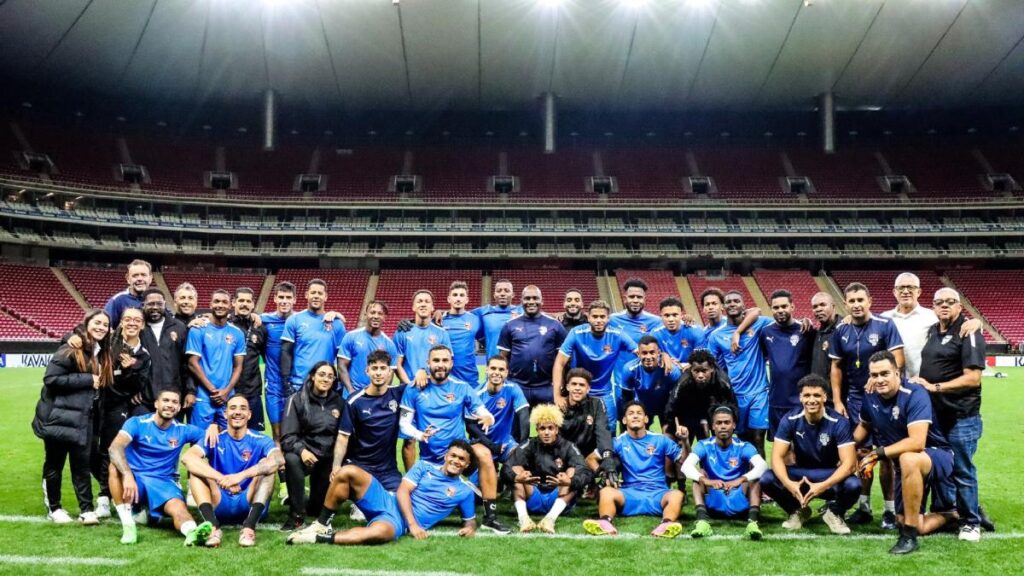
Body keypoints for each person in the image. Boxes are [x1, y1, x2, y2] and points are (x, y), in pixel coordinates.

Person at [853, 351, 955, 555]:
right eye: (874, 375)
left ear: (897, 373)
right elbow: (862, 429)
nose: (879, 380)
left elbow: (917, 442)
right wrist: (844, 450)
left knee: (907, 457)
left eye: (885, 373)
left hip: (936, 455)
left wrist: (875, 454)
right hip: (905, 465)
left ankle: (908, 537)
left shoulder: (915, 393)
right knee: (911, 522)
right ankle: (957, 514)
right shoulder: (870, 396)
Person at [399, 345, 508, 533]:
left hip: (460, 456)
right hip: (430, 460)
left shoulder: (461, 387)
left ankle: (490, 517)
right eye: (436, 361)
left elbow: (481, 410)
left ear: (451, 363)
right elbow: (404, 425)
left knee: (483, 453)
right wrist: (419, 435)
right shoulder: (414, 388)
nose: (440, 365)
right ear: (428, 363)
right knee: (409, 445)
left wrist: (488, 416)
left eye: (444, 360)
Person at [287, 440, 479, 545]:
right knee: (348, 471)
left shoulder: (464, 492)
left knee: (381, 533)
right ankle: (322, 524)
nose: (456, 461)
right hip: (389, 500)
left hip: (397, 522)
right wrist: (414, 525)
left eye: (462, 459)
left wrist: (470, 528)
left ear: (467, 464)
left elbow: (469, 519)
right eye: (453, 455)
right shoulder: (424, 466)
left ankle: (318, 538)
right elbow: (403, 491)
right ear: (446, 456)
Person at [912, 288, 986, 542]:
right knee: (942, 467)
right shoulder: (933, 330)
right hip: (936, 415)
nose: (944, 306)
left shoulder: (969, 331)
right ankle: (948, 512)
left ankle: (971, 522)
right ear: (933, 306)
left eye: (950, 302)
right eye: (939, 302)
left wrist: (935, 388)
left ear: (959, 306)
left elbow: (974, 378)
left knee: (962, 470)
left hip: (961, 415)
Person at [829, 282, 904, 528]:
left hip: (883, 401)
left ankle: (890, 511)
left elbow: (898, 359)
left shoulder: (885, 325)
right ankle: (864, 507)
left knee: (886, 456)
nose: (856, 305)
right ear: (846, 304)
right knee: (860, 454)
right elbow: (836, 367)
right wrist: (838, 400)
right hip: (854, 402)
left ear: (869, 301)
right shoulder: (841, 330)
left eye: (861, 300)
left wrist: (876, 378)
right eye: (852, 301)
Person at [32, 309, 112, 525]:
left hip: (83, 419)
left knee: (81, 465)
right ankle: (55, 508)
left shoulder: (101, 352)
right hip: (59, 417)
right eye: (97, 322)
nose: (101, 327)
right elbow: (51, 379)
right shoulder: (70, 349)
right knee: (54, 464)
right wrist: (87, 379)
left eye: (105, 324)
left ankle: (86, 510)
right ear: (86, 324)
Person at [107, 389, 217, 545]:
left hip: (163, 481)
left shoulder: (182, 430)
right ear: (156, 404)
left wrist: (214, 427)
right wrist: (127, 475)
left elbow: (212, 436)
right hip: (135, 480)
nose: (170, 405)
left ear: (179, 408)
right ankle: (128, 526)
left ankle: (192, 533)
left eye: (174, 402)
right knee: (114, 466)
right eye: (166, 400)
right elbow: (115, 448)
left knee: (179, 508)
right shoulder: (137, 423)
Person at [759, 374, 859, 534]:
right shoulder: (790, 418)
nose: (811, 400)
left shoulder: (839, 422)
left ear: (825, 397)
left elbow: (849, 465)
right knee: (767, 479)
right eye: (807, 395)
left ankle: (833, 512)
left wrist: (822, 486)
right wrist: (788, 484)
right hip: (800, 474)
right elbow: (776, 457)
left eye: (817, 395)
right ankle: (797, 511)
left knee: (854, 485)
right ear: (800, 397)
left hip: (828, 475)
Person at [182, 395, 282, 547]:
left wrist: (240, 476)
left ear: (249, 414)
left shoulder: (261, 439)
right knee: (196, 467)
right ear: (225, 413)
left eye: (243, 408)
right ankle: (213, 527)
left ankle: (249, 527)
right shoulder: (214, 438)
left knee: (267, 465)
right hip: (219, 500)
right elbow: (187, 458)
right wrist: (223, 479)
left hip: (248, 500)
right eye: (233, 408)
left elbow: (279, 460)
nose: (237, 412)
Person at [582, 401, 685, 539]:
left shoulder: (661, 440)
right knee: (606, 492)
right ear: (624, 420)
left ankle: (666, 524)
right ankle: (605, 522)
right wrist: (603, 475)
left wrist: (685, 442)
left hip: (658, 493)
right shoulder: (617, 441)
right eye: (631, 414)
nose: (635, 416)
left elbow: (684, 461)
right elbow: (590, 459)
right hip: (629, 494)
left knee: (677, 494)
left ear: (646, 419)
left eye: (639, 413)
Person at [92, 307, 152, 520]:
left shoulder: (143, 355)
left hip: (129, 409)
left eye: (137, 320)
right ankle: (104, 498)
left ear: (143, 324)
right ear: (121, 322)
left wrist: (131, 370)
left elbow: (139, 383)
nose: (132, 323)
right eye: (128, 319)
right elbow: (111, 382)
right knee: (105, 451)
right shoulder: (109, 346)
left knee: (126, 451)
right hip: (109, 407)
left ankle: (127, 498)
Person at [683, 405, 768, 540]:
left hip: (739, 499)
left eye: (727, 422)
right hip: (714, 500)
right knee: (699, 475)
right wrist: (707, 481)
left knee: (754, 478)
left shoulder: (744, 446)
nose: (723, 426)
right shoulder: (704, 445)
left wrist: (740, 480)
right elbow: (686, 466)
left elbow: (762, 466)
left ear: (734, 425)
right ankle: (702, 522)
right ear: (713, 426)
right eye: (719, 423)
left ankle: (753, 523)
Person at [505, 404, 592, 533]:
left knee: (571, 473)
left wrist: (570, 481)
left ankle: (550, 519)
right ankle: (523, 519)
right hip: (533, 496)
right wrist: (516, 477)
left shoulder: (568, 446)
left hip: (558, 496)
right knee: (517, 470)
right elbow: (506, 468)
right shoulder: (529, 445)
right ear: (537, 430)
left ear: (557, 429)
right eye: (542, 428)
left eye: (550, 428)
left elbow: (585, 471)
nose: (546, 432)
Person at [706, 290, 773, 455]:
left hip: (759, 392)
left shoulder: (759, 324)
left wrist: (738, 332)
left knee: (758, 438)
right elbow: (712, 365)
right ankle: (742, 477)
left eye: (736, 301)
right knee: (742, 439)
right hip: (735, 395)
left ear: (744, 305)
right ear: (723, 307)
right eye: (728, 302)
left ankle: (759, 480)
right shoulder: (716, 336)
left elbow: (763, 313)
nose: (732, 304)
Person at [553, 300, 637, 431]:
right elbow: (559, 362)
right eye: (595, 317)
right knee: (573, 430)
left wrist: (663, 356)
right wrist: (557, 396)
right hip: (578, 391)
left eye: (602, 317)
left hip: (604, 392)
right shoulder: (577, 333)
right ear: (588, 318)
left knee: (610, 429)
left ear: (608, 318)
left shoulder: (617, 335)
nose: (599, 320)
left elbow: (642, 353)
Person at [279, 362, 344, 531]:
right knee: (291, 459)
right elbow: (287, 437)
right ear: (313, 376)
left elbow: (343, 436)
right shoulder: (297, 399)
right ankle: (296, 515)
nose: (326, 379)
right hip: (306, 454)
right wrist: (302, 451)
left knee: (316, 510)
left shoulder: (339, 402)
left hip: (327, 460)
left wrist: (338, 464)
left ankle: (307, 501)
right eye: (322, 374)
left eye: (330, 376)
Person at [335, 350, 406, 492]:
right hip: (361, 466)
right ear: (367, 371)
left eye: (383, 368)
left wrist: (422, 372)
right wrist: (336, 466)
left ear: (389, 372)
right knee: (363, 504)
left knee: (400, 504)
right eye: (374, 368)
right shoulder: (355, 401)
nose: (378, 373)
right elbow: (343, 437)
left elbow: (423, 383)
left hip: (388, 470)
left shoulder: (398, 394)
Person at [186, 289, 246, 430]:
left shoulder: (237, 333)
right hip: (203, 396)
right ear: (210, 304)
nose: (220, 305)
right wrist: (213, 390)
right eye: (216, 301)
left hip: (227, 396)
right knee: (200, 439)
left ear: (230, 305)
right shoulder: (198, 329)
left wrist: (226, 391)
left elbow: (238, 366)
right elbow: (192, 363)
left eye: (224, 302)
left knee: (229, 439)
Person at [497, 285, 567, 406]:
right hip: (518, 387)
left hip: (546, 388)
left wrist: (560, 385)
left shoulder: (555, 325)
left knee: (547, 425)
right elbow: (503, 359)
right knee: (520, 425)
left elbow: (562, 361)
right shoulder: (509, 325)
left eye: (535, 298)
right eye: (527, 298)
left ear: (542, 301)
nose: (531, 302)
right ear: (521, 301)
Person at [760, 289, 815, 438]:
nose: (780, 310)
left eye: (784, 306)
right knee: (780, 445)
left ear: (792, 307)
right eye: (776, 307)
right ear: (771, 309)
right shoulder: (765, 332)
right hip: (776, 400)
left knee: (802, 446)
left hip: (801, 400)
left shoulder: (806, 330)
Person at [280, 279, 347, 396]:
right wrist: (286, 382)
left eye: (320, 293)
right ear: (306, 295)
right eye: (313, 293)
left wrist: (339, 383)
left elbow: (341, 359)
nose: (316, 296)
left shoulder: (337, 324)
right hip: (298, 384)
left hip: (325, 385)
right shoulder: (294, 320)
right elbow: (286, 352)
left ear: (325, 297)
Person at [137, 288, 193, 418]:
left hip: (172, 398)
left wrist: (190, 391)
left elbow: (187, 363)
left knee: (172, 438)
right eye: (151, 304)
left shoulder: (179, 327)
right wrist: (133, 390)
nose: (155, 307)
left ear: (165, 304)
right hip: (144, 400)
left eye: (159, 304)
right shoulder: (137, 327)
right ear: (143, 305)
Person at [662, 348, 738, 444]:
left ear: (711, 369)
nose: (700, 375)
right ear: (691, 369)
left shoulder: (722, 381)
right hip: (690, 410)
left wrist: (728, 429)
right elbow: (671, 407)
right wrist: (675, 427)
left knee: (719, 443)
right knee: (684, 443)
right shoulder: (684, 381)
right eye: (696, 371)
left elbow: (732, 406)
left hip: (714, 409)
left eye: (704, 371)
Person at [470, 356, 530, 465]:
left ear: (506, 373)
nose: (497, 372)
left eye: (501, 369)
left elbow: (524, 416)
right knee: (482, 482)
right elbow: (471, 427)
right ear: (487, 369)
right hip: (482, 444)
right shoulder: (476, 395)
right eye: (493, 368)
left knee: (522, 469)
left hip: (506, 444)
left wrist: (523, 446)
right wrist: (492, 446)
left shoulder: (513, 388)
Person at [559, 368, 617, 481]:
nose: (577, 388)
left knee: (615, 460)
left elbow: (603, 432)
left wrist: (607, 457)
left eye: (581, 385)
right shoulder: (558, 406)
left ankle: (597, 481)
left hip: (588, 456)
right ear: (567, 387)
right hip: (564, 457)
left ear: (588, 388)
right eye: (574, 384)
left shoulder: (597, 404)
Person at [617, 335, 682, 425]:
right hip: (642, 406)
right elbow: (626, 398)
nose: (648, 357)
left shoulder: (671, 370)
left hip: (665, 406)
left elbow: (676, 398)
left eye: (652, 352)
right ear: (638, 354)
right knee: (636, 434)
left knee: (669, 435)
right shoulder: (629, 369)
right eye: (644, 353)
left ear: (658, 353)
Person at [337, 300, 399, 395]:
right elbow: (341, 366)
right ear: (366, 314)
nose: (376, 316)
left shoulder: (389, 345)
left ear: (384, 318)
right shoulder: (351, 336)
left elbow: (389, 374)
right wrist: (350, 390)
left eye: (380, 313)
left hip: (375, 397)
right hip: (351, 394)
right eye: (372, 312)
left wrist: (381, 394)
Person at [228, 287, 267, 431]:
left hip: (253, 391)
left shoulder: (260, 328)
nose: (244, 304)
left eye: (248, 301)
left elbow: (267, 357)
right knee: (227, 434)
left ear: (253, 304)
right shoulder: (224, 325)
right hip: (228, 391)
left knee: (255, 435)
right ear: (233, 302)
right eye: (241, 300)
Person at [262, 281, 295, 444]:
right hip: (273, 386)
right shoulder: (264, 320)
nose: (284, 301)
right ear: (274, 298)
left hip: (294, 386)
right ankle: (279, 468)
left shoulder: (300, 321)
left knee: (295, 432)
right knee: (277, 433)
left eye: (288, 297)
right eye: (281, 297)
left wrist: (334, 314)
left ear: (294, 300)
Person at [608, 278, 663, 375]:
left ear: (644, 300)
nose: (635, 300)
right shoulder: (612, 320)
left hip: (648, 380)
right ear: (625, 299)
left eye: (639, 297)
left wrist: (687, 319)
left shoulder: (656, 321)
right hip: (621, 379)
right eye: (632, 297)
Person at [439, 281, 483, 387]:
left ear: (467, 299)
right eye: (455, 295)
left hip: (469, 377)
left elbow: (487, 339)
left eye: (461, 295)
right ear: (449, 299)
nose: (458, 298)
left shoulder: (475, 319)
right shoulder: (439, 320)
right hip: (446, 377)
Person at [472, 279, 523, 360]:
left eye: (507, 291)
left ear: (513, 294)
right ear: (494, 294)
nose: (502, 294)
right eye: (499, 291)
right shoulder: (483, 312)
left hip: (517, 367)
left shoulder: (522, 311)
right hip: (494, 368)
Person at [651, 296, 702, 367]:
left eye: (675, 315)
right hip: (669, 369)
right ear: (661, 316)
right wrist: (662, 357)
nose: (671, 319)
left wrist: (690, 365)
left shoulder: (696, 331)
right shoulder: (655, 334)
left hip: (692, 369)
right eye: (667, 315)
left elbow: (701, 358)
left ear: (681, 315)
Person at [104, 259, 153, 326]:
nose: (139, 279)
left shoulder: (156, 301)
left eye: (143, 275)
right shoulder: (117, 301)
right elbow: (107, 327)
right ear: (128, 279)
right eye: (135, 275)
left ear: (150, 278)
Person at [810, 292, 840, 381]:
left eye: (823, 305)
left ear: (833, 306)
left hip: (840, 392)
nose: (818, 309)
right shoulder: (816, 333)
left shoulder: (845, 329)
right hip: (819, 390)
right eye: (815, 307)